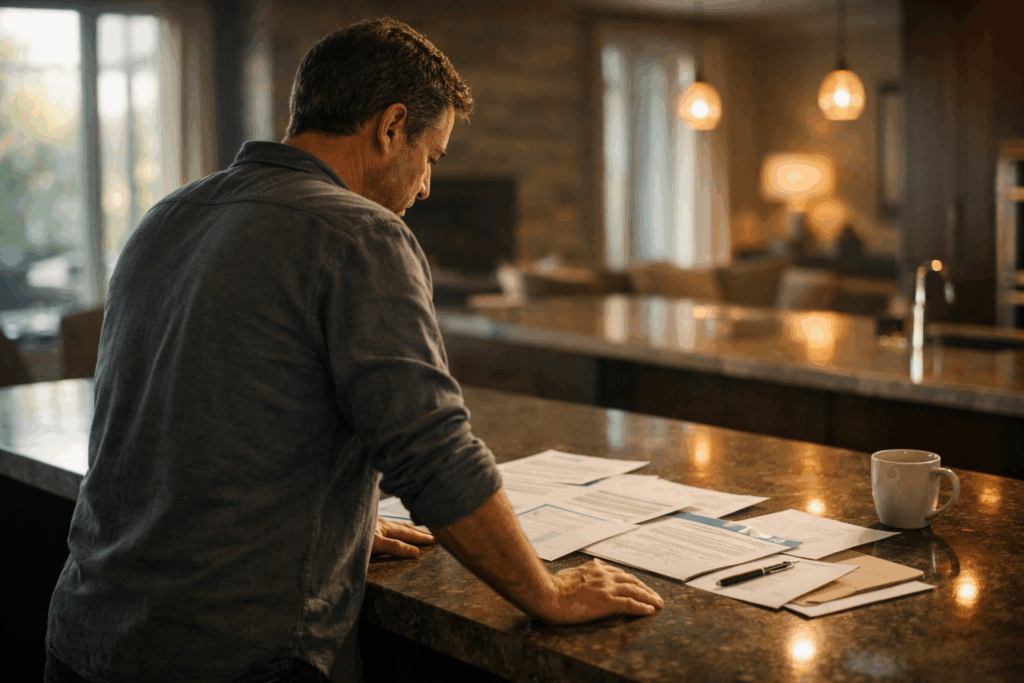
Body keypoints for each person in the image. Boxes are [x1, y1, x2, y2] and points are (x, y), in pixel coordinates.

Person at [45, 18, 663, 683]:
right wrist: (550, 591)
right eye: (432, 156)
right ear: (391, 126)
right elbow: (433, 454)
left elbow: (191, 422)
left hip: (87, 633)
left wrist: (331, 524)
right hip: (233, 653)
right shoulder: (359, 233)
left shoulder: (167, 216)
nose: (426, 186)